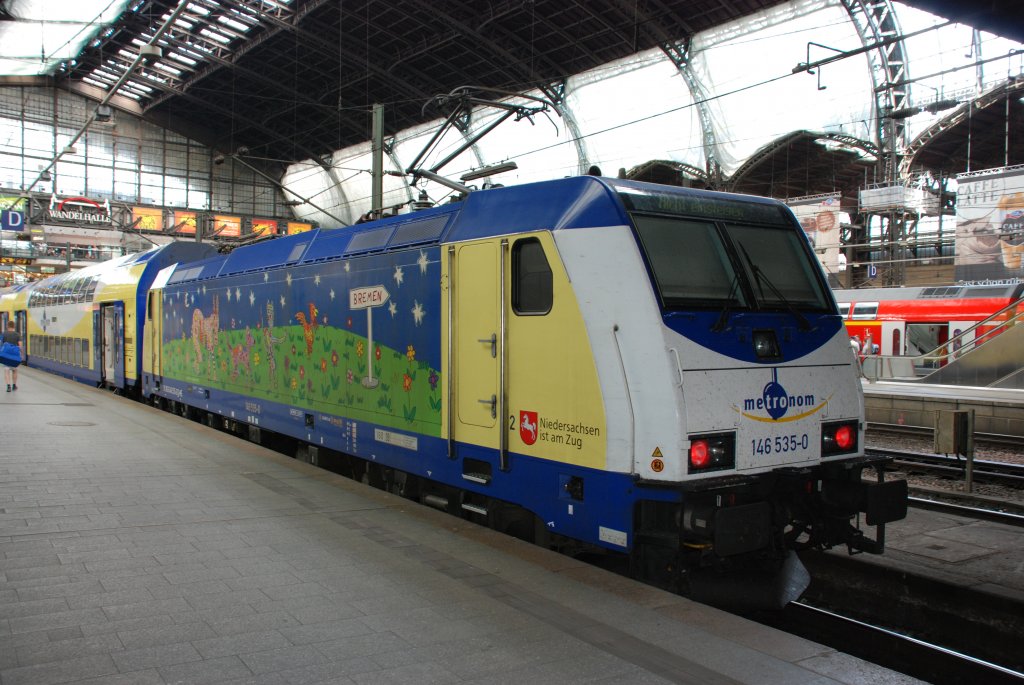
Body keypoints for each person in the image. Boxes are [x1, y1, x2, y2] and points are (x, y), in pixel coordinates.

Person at [2, 321, 21, 392]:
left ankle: (8, 386)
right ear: (14, 326)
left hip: (6, 356)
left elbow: (2, 344)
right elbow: (20, 346)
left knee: (6, 371)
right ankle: (14, 385)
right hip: (14, 357)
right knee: (14, 370)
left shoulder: (4, 334)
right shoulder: (17, 335)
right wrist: (21, 355)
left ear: (7, 326)